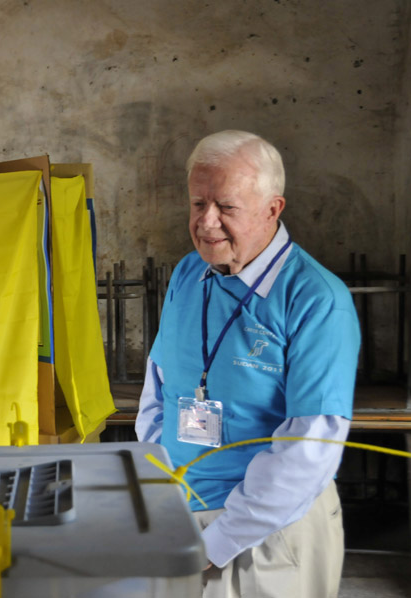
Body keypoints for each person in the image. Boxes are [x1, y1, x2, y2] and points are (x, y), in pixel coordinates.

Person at [136, 130, 359, 598]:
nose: (207, 222)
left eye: (227, 207)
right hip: (181, 511)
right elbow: (159, 385)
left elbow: (309, 449)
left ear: (272, 209)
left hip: (269, 533)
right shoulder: (188, 272)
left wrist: (216, 541)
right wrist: (166, 483)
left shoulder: (316, 299)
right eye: (198, 204)